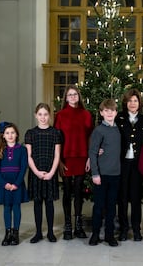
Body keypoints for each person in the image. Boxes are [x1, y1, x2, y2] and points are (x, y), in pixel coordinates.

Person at [54, 85, 93, 240]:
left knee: (78, 191)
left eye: (75, 94)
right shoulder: (61, 115)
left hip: (82, 157)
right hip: (66, 158)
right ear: (66, 97)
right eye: (70, 95)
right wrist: (59, 162)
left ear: (79, 96)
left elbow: (91, 138)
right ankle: (67, 226)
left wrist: (90, 157)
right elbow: (57, 139)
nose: (72, 97)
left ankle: (78, 225)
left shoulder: (86, 114)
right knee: (67, 191)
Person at [115, 88, 143, 242]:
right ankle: (123, 229)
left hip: (137, 164)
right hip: (122, 163)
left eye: (135, 101)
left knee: (136, 198)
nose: (132, 103)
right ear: (126, 102)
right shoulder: (119, 118)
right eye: (130, 101)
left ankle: (136, 229)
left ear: (139, 103)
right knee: (122, 197)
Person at [25, 103, 61, 243]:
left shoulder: (55, 133)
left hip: (50, 171)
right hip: (36, 171)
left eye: (45, 114)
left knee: (50, 202)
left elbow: (57, 155)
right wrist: (36, 172)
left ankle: (51, 232)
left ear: (49, 115)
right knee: (38, 202)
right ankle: (38, 232)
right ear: (36, 115)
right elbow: (29, 156)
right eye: (40, 114)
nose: (43, 117)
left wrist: (52, 172)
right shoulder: (30, 133)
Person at [88, 99, 121, 247]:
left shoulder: (118, 130)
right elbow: (93, 152)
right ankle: (95, 234)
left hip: (115, 175)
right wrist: (95, 174)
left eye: (112, 110)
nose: (109, 113)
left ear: (116, 112)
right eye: (106, 111)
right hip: (101, 175)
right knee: (99, 206)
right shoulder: (99, 130)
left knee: (111, 207)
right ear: (101, 113)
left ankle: (109, 235)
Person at [0, 122, 29, 246]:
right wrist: (4, 184)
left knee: (16, 207)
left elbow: (24, 167)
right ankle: (7, 232)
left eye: (12, 133)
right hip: (5, 185)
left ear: (17, 134)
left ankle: (15, 233)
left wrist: (17, 183)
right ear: (3, 135)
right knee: (7, 208)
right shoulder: (0, 150)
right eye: (7, 133)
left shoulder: (22, 150)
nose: (10, 135)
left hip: (17, 184)